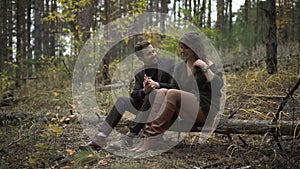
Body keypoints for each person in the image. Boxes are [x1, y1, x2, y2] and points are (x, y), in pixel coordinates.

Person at [130, 32, 224, 153]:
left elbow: (218, 85)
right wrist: (153, 86)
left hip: (206, 109)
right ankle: (149, 137)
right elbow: (173, 88)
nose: (182, 51)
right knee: (161, 92)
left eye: (186, 48)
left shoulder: (207, 64)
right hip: (187, 111)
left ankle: (152, 138)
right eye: (181, 47)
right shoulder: (180, 67)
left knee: (172, 93)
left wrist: (205, 67)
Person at [80, 40, 175, 150]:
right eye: (149, 54)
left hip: (166, 109)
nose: (154, 55)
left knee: (153, 94)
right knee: (122, 100)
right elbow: (134, 94)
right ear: (141, 58)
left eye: (153, 51)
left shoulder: (169, 64)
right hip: (146, 108)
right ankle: (101, 137)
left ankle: (130, 137)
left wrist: (157, 85)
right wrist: (144, 91)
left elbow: (175, 87)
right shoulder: (140, 72)